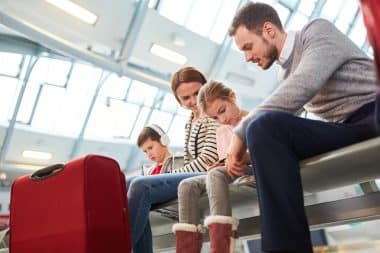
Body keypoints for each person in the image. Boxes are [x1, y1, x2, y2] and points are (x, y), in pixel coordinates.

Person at [226, 2, 379, 252]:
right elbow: (280, 125)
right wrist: (247, 153)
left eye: (248, 47)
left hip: (374, 109)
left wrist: (240, 131)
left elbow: (305, 84)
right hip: (349, 129)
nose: (247, 57)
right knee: (263, 129)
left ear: (268, 30)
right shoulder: (284, 76)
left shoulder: (316, 31)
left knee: (254, 125)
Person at [127, 67, 219, 253]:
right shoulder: (191, 120)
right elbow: (189, 160)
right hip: (193, 174)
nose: (194, 101)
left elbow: (207, 159)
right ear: (179, 101)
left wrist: (170, 174)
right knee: (126, 183)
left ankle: (120, 247)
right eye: (186, 98)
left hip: (207, 172)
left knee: (140, 186)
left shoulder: (213, 112)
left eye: (197, 93)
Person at [172, 81, 251, 253]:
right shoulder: (222, 130)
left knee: (215, 174)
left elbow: (261, 152)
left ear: (232, 97)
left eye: (222, 111)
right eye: (215, 118)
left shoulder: (252, 120)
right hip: (229, 171)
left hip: (252, 166)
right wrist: (221, 164)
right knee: (186, 185)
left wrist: (240, 158)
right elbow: (225, 160)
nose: (222, 120)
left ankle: (222, 247)